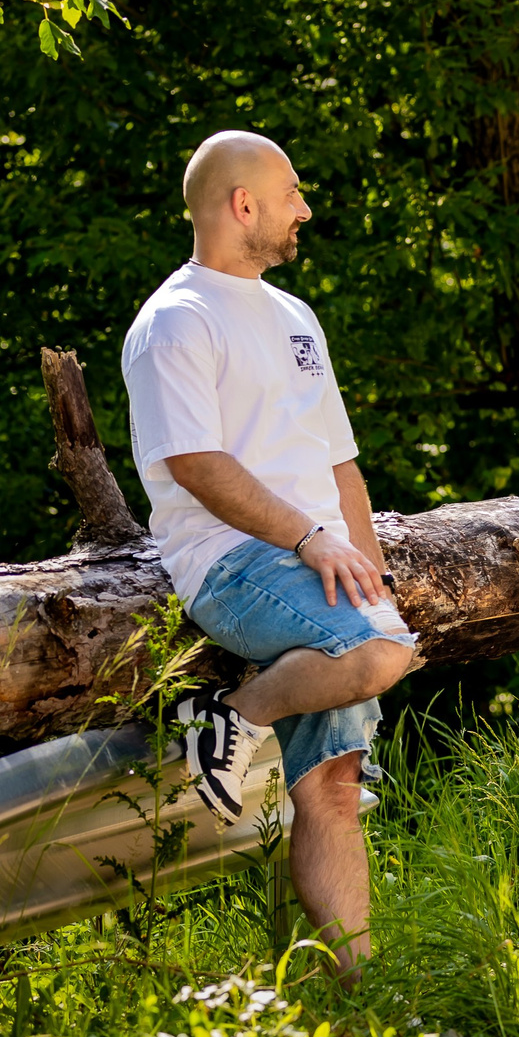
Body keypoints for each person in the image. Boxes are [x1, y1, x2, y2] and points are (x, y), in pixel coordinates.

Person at [120, 130, 415, 977]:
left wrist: (373, 577)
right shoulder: (175, 320)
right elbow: (195, 463)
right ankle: (235, 715)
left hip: (314, 565)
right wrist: (308, 539)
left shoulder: (295, 318)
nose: (305, 209)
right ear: (242, 204)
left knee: (334, 786)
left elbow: (339, 463)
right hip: (231, 563)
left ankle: (356, 992)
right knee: (377, 652)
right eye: (292, 193)